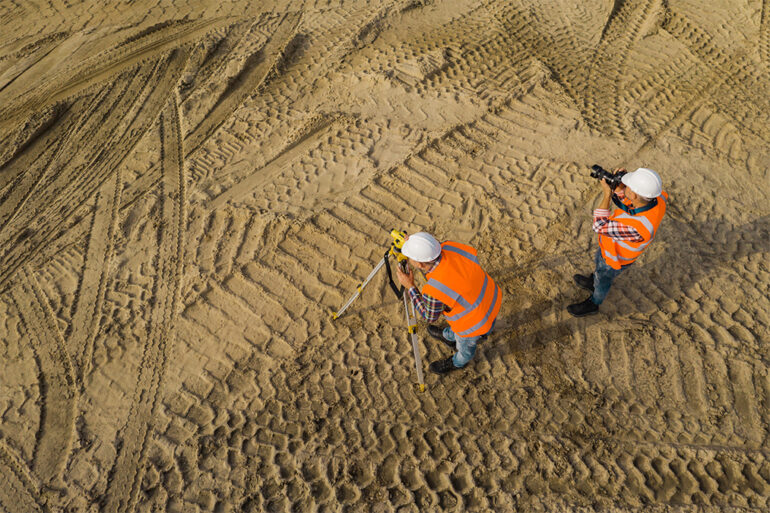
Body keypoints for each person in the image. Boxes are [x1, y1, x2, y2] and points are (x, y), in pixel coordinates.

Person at [395, 232, 501, 374]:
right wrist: (415, 242)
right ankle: (449, 337)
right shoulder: (450, 246)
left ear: (420, 264)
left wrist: (411, 287)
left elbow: (429, 316)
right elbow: (430, 247)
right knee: (458, 326)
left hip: (474, 323)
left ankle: (457, 362)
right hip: (490, 297)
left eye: (410, 257)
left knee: (465, 348)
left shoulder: (435, 290)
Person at [568, 167, 668, 317]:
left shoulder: (638, 228)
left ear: (633, 194)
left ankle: (594, 302)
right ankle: (593, 281)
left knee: (603, 279)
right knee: (598, 269)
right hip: (609, 248)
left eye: (628, 186)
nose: (625, 185)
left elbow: (599, 225)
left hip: (614, 259)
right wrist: (619, 187)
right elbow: (633, 202)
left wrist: (607, 195)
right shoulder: (657, 199)